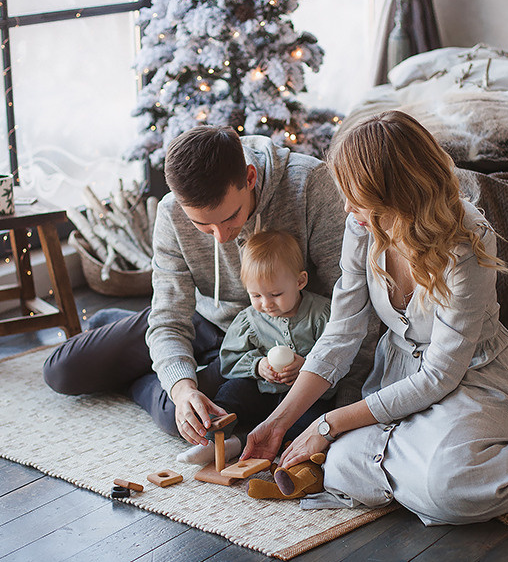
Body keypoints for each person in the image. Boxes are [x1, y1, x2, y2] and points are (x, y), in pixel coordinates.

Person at [242, 111, 508, 525]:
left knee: (449, 485)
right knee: (342, 466)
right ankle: (420, 470)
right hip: (399, 380)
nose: (349, 208)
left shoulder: (467, 239)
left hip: (472, 382)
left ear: (398, 192)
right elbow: (341, 332)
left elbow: (441, 374)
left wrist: (329, 422)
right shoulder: (362, 226)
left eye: (359, 197)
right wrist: (277, 423)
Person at [43, 126, 365, 449]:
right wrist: (182, 387)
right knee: (61, 372)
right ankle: (120, 331)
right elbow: (170, 318)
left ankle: (132, 373)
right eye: (203, 225)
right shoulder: (172, 213)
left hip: (263, 337)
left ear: (250, 178)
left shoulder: (310, 185)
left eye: (231, 217)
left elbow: (351, 310)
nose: (222, 237)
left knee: (183, 419)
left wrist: (340, 412)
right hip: (201, 319)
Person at [213, 229, 336, 437]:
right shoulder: (249, 319)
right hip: (262, 392)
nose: (266, 303)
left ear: (300, 282)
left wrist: (307, 366)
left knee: (315, 423)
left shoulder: (321, 314)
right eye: (256, 295)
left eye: (276, 294)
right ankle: (213, 439)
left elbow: (338, 358)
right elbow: (228, 360)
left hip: (305, 399)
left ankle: (243, 443)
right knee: (229, 394)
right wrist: (258, 366)